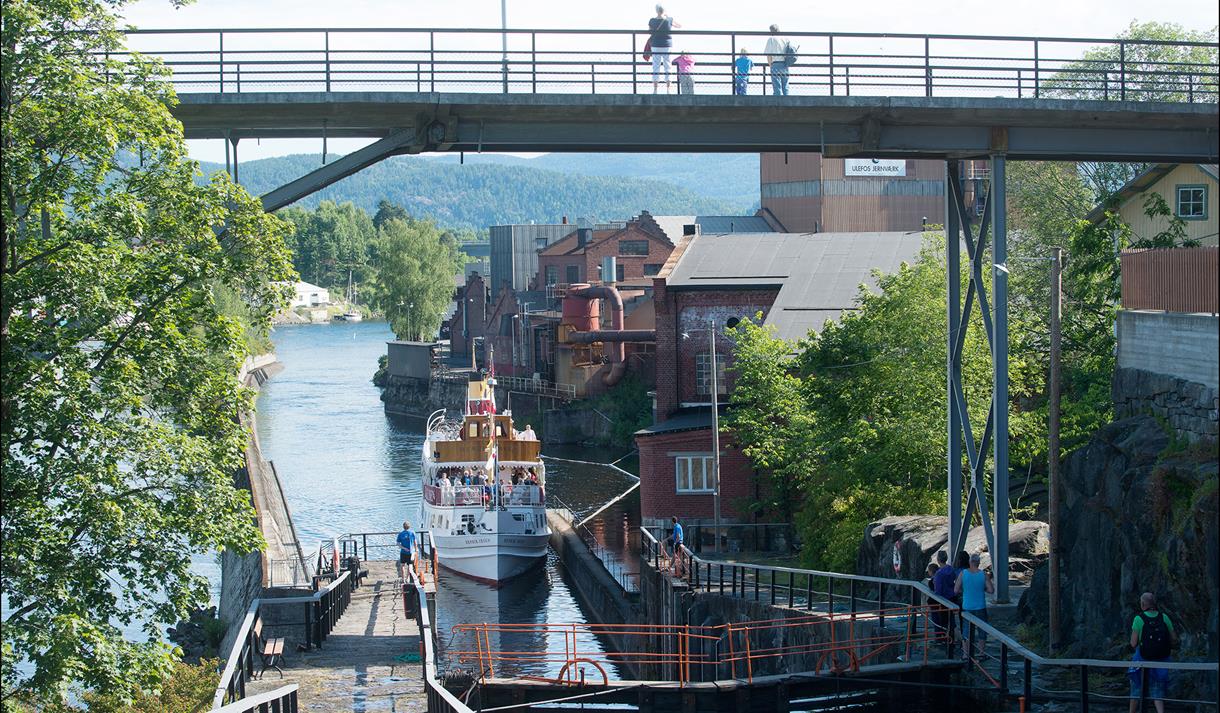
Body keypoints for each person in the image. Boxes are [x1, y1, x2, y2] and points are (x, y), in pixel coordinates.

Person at [1128, 592, 1178, 713]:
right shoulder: (1164, 617)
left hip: (1142, 659)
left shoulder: (1139, 618)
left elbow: (1133, 643)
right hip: (1161, 660)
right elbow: (1174, 639)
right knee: (1157, 692)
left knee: (1136, 689)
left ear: (1143, 604)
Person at [954, 553, 994, 656]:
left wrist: (965, 590)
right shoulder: (983, 574)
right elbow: (991, 590)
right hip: (980, 606)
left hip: (967, 606)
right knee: (982, 630)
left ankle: (965, 653)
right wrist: (982, 588)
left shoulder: (963, 573)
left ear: (970, 562)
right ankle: (981, 652)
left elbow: (955, 590)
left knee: (966, 629)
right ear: (979, 563)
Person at [648, 5, 680, 93]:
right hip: (667, 45)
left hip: (656, 45)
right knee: (668, 66)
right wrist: (668, 16)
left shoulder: (652, 20)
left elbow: (649, 31)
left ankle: (655, 89)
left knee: (655, 66)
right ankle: (668, 88)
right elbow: (679, 26)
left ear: (656, 11)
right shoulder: (669, 19)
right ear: (664, 11)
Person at [931, 550, 958, 645]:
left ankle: (943, 639)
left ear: (938, 560)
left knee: (942, 620)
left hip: (942, 599)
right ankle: (951, 637)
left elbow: (938, 589)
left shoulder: (939, 573)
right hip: (952, 597)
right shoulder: (951, 569)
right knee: (951, 619)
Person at [763, 24, 790, 96]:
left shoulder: (771, 39)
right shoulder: (785, 39)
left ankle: (777, 103)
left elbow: (769, 55)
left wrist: (770, 65)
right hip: (785, 64)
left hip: (775, 63)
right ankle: (787, 101)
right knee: (785, 86)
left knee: (777, 86)